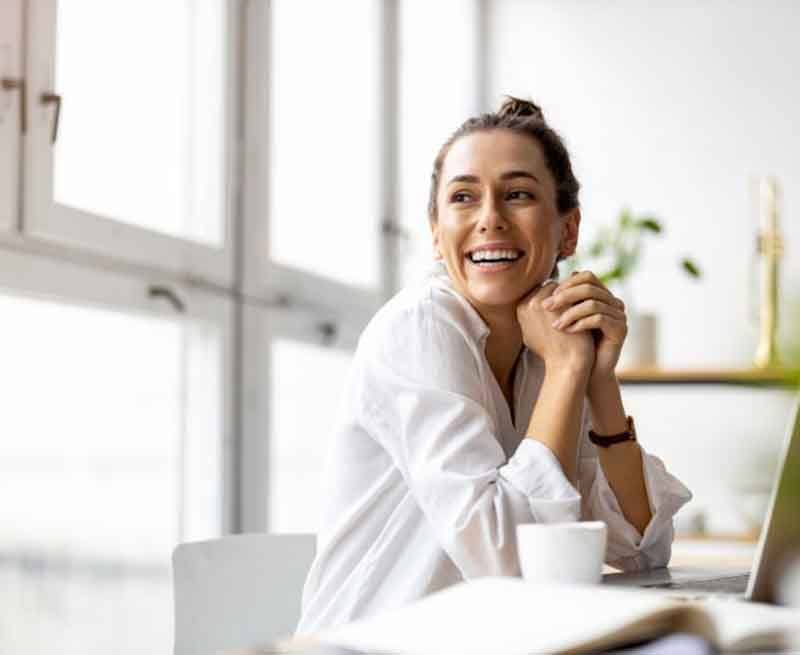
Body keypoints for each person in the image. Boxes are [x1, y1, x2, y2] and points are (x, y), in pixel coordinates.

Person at [295, 97, 692, 635]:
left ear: (568, 230)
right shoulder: (421, 329)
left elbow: (642, 549)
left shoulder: (547, 349)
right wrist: (568, 372)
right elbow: (507, 562)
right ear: (436, 233)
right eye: (463, 197)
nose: (490, 219)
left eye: (518, 194)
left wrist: (598, 380)